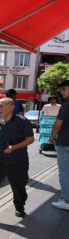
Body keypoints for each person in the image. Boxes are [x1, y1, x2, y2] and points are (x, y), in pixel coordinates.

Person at [49, 80, 69, 210]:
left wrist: (51, 137)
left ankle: (66, 201)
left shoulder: (66, 105)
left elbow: (58, 124)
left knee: (64, 173)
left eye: (64, 89)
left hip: (65, 143)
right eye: (60, 90)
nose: (61, 92)